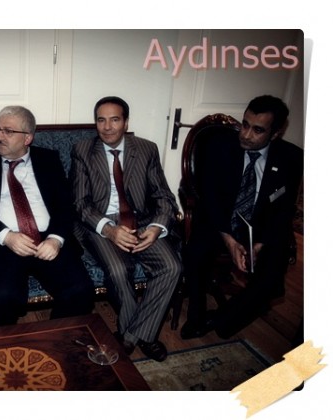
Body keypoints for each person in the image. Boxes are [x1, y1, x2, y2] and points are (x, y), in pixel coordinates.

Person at [0, 105, 95, 327]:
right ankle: (5, 346)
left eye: (8, 131)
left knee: (80, 290)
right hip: (4, 242)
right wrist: (7, 236)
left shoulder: (48, 159)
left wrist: (56, 239)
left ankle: (55, 340)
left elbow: (64, 205)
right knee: (1, 298)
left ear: (28, 138)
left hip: (46, 239)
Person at [180, 95, 303, 340]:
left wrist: (259, 244)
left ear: (276, 133)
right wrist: (229, 239)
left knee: (273, 277)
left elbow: (284, 209)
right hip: (220, 222)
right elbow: (210, 197)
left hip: (260, 227)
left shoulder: (292, 158)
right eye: (245, 124)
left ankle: (221, 319)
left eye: (257, 130)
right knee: (196, 252)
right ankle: (196, 318)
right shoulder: (219, 146)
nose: (245, 134)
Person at [70, 96, 182, 362]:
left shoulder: (146, 149)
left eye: (115, 119)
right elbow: (80, 203)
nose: (107, 127)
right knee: (118, 269)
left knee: (172, 267)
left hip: (141, 221)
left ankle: (131, 336)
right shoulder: (83, 150)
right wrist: (110, 230)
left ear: (126, 122)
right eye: (101, 120)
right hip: (100, 223)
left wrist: (156, 227)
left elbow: (163, 196)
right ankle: (146, 337)